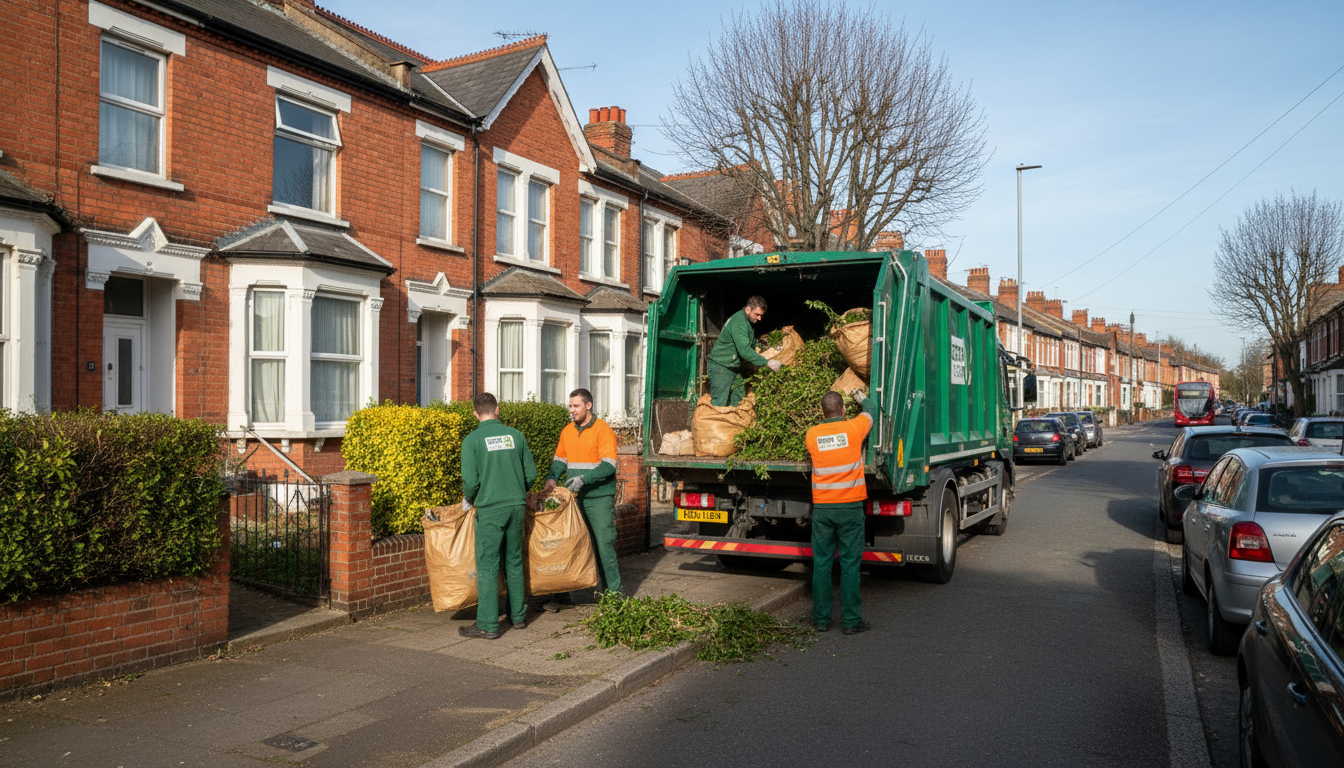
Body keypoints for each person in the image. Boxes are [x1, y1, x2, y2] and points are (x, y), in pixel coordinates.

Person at [459, 392, 536, 640]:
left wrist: (469, 498)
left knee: (488, 564)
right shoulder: (516, 436)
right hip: (516, 505)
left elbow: (470, 481)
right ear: (497, 410)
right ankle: (518, 617)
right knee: (514, 560)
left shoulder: (472, 440)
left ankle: (488, 624)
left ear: (475, 413)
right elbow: (531, 474)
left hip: (490, 508)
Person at [805, 388, 878, 635]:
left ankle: (822, 620)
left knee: (822, 564)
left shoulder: (812, 434)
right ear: (843, 410)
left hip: (823, 510)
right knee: (849, 565)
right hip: (850, 509)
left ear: (822, 411)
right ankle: (850, 621)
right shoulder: (853, 429)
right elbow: (871, 411)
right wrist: (861, 397)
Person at [544, 388, 621, 602]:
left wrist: (583, 479)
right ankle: (562, 597)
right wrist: (552, 478)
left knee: (604, 547)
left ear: (588, 405)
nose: (572, 410)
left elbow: (609, 466)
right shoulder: (567, 431)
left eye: (576, 406)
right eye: (570, 406)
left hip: (598, 498)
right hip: (574, 499)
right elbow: (560, 459)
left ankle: (613, 598)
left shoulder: (603, 430)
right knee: (569, 545)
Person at [707, 295, 781, 406]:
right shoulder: (739, 322)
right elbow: (745, 350)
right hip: (721, 366)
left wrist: (764, 349)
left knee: (738, 400)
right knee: (719, 403)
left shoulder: (747, 322)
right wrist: (767, 362)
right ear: (747, 309)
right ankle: (715, 423)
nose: (760, 318)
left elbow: (751, 343)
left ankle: (735, 422)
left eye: (761, 315)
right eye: (757, 314)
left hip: (734, 366)